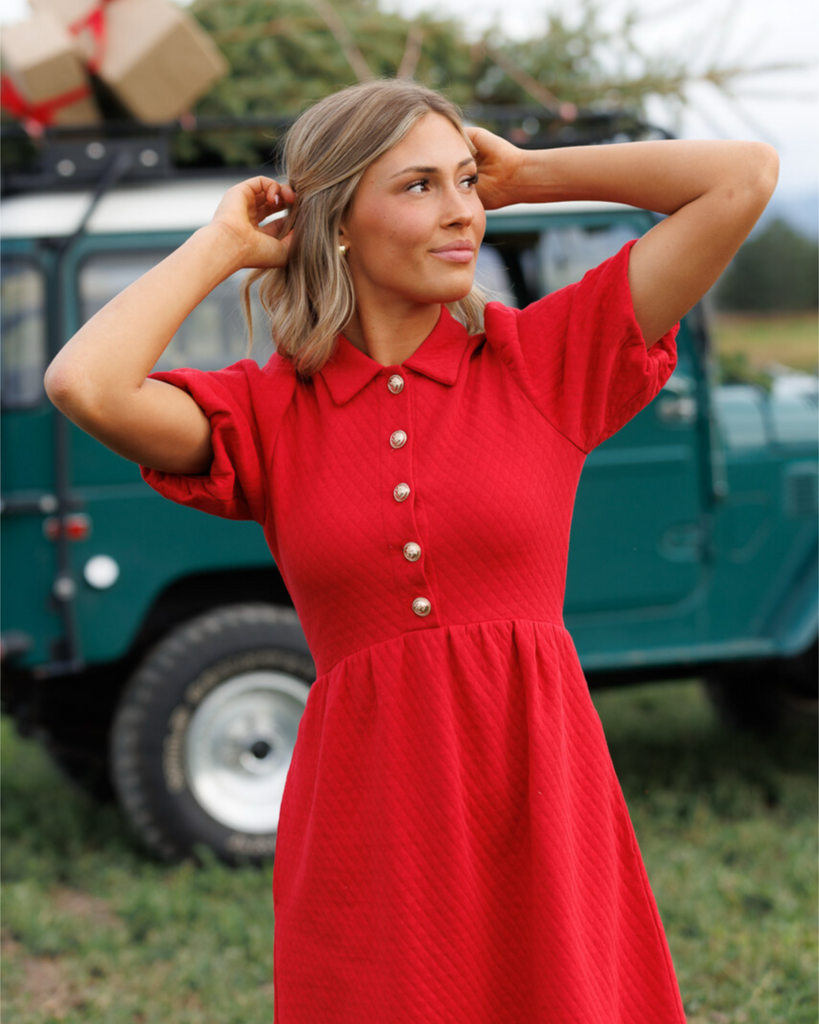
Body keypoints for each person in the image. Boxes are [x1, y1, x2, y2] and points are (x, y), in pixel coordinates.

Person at [45, 78, 778, 1023]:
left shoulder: (545, 359)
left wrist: (524, 175)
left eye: (464, 182)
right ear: (337, 223)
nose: (462, 213)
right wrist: (223, 243)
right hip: (370, 814)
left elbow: (742, 178)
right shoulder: (266, 412)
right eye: (419, 187)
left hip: (539, 790)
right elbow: (85, 384)